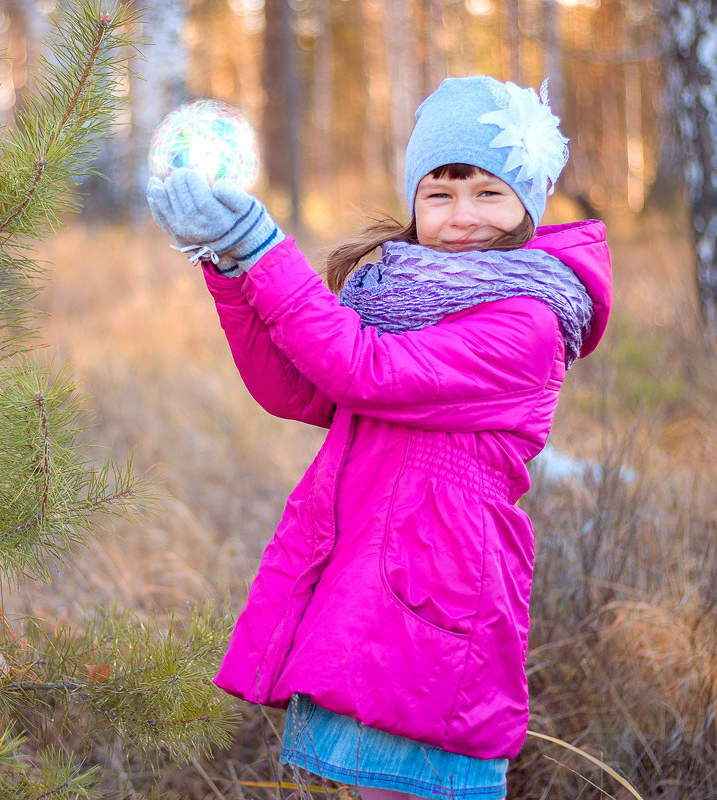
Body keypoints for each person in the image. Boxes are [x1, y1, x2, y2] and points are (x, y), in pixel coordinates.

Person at [146, 76, 612, 800]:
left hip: (437, 587)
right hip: (373, 575)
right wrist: (230, 267)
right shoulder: (397, 292)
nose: (463, 217)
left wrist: (264, 247)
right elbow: (299, 388)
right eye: (440, 193)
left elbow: (361, 369)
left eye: (489, 193)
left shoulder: (527, 319)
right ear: (414, 201)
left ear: (529, 202)